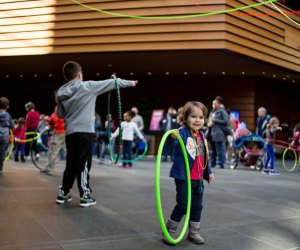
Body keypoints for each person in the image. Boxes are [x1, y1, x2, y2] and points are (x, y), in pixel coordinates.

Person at [56, 60, 138, 207]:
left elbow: (61, 115)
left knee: (71, 163)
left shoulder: (60, 93)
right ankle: (85, 195)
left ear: (65, 77)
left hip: (70, 133)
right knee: (83, 164)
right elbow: (114, 82)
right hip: (84, 132)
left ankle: (63, 193)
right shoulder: (88, 86)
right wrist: (131, 83)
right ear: (80, 74)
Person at [164, 101, 214, 245]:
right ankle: (169, 229)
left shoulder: (201, 135)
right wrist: (171, 137)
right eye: (193, 116)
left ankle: (194, 232)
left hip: (198, 179)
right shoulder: (182, 133)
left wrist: (208, 172)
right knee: (183, 204)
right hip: (184, 177)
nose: (197, 120)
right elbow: (170, 145)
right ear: (185, 118)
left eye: (201, 117)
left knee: (197, 206)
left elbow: (202, 156)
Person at [40, 103, 66, 176]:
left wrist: (46, 118)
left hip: (59, 132)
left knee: (53, 151)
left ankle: (49, 169)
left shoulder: (59, 107)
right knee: (68, 151)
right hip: (67, 131)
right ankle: (76, 169)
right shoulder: (69, 105)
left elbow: (54, 120)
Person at [207, 97, 229, 169]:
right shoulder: (212, 112)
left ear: (218, 104)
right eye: (213, 103)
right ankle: (212, 163)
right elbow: (209, 121)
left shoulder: (222, 111)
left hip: (219, 134)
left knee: (219, 150)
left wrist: (215, 120)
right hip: (211, 133)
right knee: (212, 150)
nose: (213, 105)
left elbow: (225, 122)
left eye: (215, 103)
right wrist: (208, 123)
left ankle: (220, 164)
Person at [0, 97, 14, 174]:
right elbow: (12, 126)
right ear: (7, 106)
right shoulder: (7, 115)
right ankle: (0, 168)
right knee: (2, 153)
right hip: (4, 138)